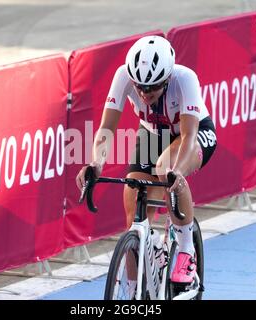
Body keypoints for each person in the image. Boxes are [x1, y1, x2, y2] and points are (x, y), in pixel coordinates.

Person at [76, 35, 217, 284]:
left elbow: (187, 135)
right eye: (139, 86)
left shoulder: (185, 79)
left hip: (193, 134)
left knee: (166, 168)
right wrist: (96, 163)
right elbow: (106, 129)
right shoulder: (123, 76)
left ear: (166, 79)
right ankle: (133, 291)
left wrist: (178, 171)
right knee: (134, 221)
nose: (143, 93)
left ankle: (186, 249)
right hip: (154, 135)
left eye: (152, 87)